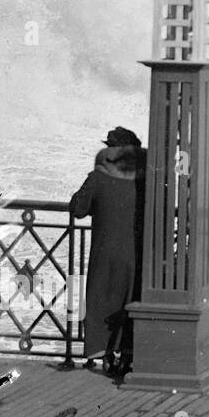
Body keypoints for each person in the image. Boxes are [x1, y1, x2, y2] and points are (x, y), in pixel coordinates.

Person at [69, 127, 147, 376]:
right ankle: (127, 354)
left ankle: (102, 354)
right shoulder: (144, 178)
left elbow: (78, 209)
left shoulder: (98, 176)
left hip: (104, 249)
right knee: (129, 300)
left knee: (101, 299)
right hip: (136, 251)